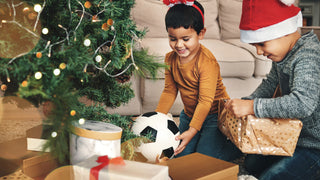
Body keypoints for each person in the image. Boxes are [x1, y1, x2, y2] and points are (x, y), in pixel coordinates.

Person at [225, 0, 320, 179]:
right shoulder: (284, 54)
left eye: (262, 44)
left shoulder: (308, 55)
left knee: (271, 177)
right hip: (291, 136)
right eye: (255, 46)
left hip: (315, 146)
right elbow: (270, 84)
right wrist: (247, 101)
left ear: (283, 31)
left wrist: (253, 107)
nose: (259, 52)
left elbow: (303, 103)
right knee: (252, 163)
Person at [156, 0, 241, 160]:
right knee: (180, 156)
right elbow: (169, 91)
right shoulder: (170, 59)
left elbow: (205, 101)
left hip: (214, 117)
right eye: (173, 39)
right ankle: (196, 138)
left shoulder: (207, 62)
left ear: (201, 34)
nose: (179, 45)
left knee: (203, 159)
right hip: (189, 115)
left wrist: (192, 131)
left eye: (186, 39)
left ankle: (236, 148)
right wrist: (157, 119)